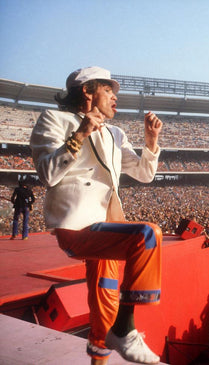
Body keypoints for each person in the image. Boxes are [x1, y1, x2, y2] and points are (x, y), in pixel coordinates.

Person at [30, 66, 163, 365]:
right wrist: (80, 133)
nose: (116, 97)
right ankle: (126, 330)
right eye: (109, 91)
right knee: (147, 235)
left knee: (104, 307)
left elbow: (144, 174)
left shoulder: (116, 133)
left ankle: (104, 350)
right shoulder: (54, 120)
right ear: (87, 91)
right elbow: (47, 174)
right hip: (77, 227)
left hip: (107, 228)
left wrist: (151, 141)